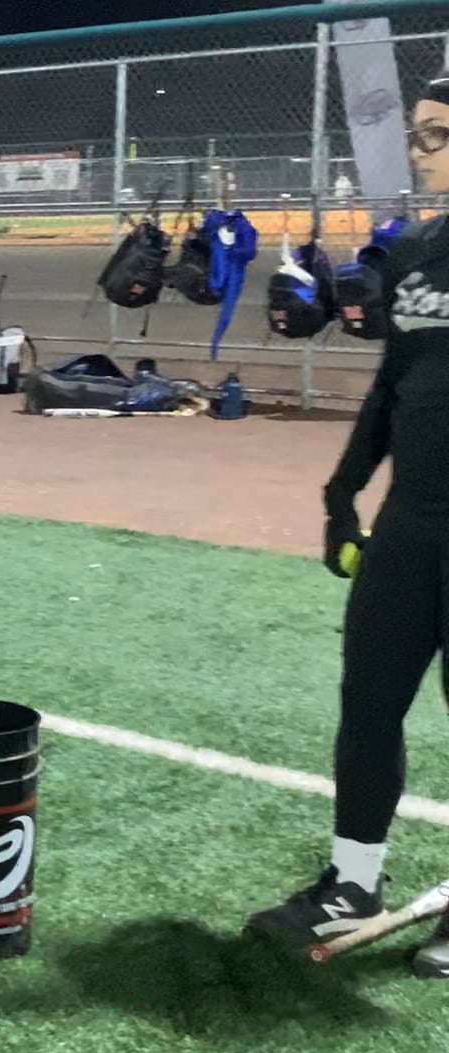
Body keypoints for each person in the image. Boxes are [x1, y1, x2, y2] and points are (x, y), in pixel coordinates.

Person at [245, 71, 449, 976]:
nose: (418, 149)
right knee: (368, 699)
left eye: (436, 134)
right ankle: (352, 882)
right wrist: (343, 492)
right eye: (418, 132)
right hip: (412, 522)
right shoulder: (418, 252)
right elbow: (395, 384)